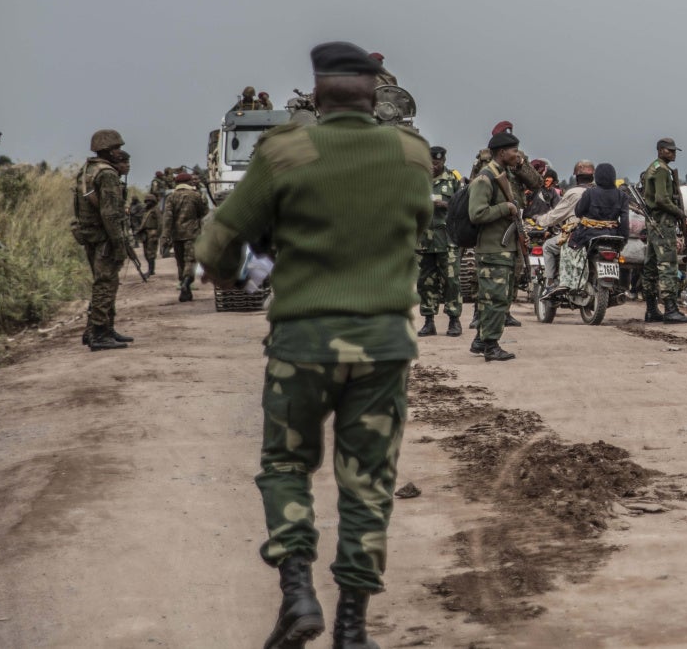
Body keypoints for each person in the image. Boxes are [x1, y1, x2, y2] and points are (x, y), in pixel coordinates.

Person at [195, 41, 431, 649]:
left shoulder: (284, 151)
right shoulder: (411, 154)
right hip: (383, 345)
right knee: (368, 484)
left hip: (302, 342)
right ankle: (352, 628)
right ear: (376, 93)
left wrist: (236, 275)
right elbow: (417, 230)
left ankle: (298, 593)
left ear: (317, 92)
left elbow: (217, 247)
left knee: (286, 465)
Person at [73, 129, 133, 351]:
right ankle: (99, 333)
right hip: (104, 236)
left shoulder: (87, 169)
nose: (119, 152)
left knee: (105, 282)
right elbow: (110, 214)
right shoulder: (107, 173)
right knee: (105, 283)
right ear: (106, 150)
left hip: (91, 234)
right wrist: (119, 243)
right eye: (116, 148)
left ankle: (103, 329)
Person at [467, 131, 523, 361]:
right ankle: (491, 345)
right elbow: (476, 213)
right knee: (495, 299)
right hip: (492, 250)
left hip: (503, 248)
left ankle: (481, 340)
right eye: (514, 151)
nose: (517, 155)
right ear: (502, 152)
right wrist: (505, 208)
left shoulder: (503, 175)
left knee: (496, 297)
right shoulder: (485, 178)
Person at [640, 137, 687, 324]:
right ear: (660, 150)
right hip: (663, 222)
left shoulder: (654, 167)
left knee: (650, 266)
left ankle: (651, 309)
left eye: (673, 150)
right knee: (668, 265)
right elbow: (662, 199)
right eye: (669, 150)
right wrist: (679, 212)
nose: (673, 154)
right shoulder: (662, 170)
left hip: (654, 222)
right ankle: (671, 309)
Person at [557, 163, 629, 292]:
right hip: (613, 235)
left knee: (567, 246)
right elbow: (624, 222)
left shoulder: (590, 193)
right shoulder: (622, 196)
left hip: (588, 234)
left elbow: (578, 212)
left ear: (597, 177)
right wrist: (623, 240)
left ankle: (568, 282)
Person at [416, 146, 464, 337]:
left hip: (447, 239)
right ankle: (429, 321)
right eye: (430, 163)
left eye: (436, 163)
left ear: (443, 162)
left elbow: (463, 206)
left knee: (451, 281)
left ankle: (454, 320)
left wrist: (444, 204)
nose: (433, 167)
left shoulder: (453, 180)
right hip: (424, 241)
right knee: (425, 282)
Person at [538, 160, 594, 299]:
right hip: (598, 235)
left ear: (576, 177)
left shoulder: (573, 193)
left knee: (548, 246)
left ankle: (550, 283)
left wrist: (540, 220)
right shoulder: (599, 192)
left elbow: (556, 214)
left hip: (577, 235)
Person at [161, 172, 209, 302]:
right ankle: (187, 282)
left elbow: (167, 218)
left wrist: (165, 236)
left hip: (176, 235)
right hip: (192, 233)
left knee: (180, 261)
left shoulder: (171, 197)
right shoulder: (196, 196)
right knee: (191, 260)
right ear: (189, 182)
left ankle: (184, 287)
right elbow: (204, 213)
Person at [136, 195, 160, 276]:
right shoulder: (146, 210)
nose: (147, 203)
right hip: (145, 233)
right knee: (146, 252)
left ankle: (150, 270)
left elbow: (160, 222)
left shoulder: (156, 210)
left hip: (152, 232)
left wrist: (158, 234)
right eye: (146, 201)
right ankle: (151, 269)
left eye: (149, 201)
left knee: (151, 253)